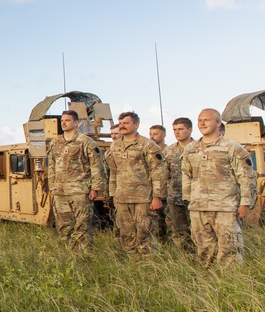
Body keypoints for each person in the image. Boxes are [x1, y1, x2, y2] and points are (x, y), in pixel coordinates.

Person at [182, 108, 256, 268]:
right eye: (199, 120)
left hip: (225, 207)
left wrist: (245, 203)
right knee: (204, 249)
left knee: (230, 249)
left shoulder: (232, 148)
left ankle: (231, 284)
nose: (202, 123)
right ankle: (209, 281)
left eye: (206, 120)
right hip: (199, 208)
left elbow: (246, 177)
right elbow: (186, 175)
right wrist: (189, 199)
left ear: (218, 123)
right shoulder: (190, 149)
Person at [106, 111, 167, 257]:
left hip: (143, 198)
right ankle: (131, 264)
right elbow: (113, 172)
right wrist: (113, 194)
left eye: (126, 123)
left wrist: (157, 196)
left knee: (144, 234)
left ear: (136, 124)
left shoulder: (147, 145)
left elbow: (158, 172)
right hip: (122, 198)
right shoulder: (115, 147)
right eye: (120, 124)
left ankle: (148, 266)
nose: (122, 126)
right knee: (126, 234)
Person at [46, 109, 105, 253]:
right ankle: (70, 257)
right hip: (60, 193)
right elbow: (52, 166)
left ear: (76, 123)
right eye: (62, 121)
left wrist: (95, 188)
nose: (64, 123)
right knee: (64, 228)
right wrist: (53, 187)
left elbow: (96, 166)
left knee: (82, 228)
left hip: (80, 192)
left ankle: (84, 258)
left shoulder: (86, 142)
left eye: (67, 120)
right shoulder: (55, 143)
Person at [162, 117, 197, 251]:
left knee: (199, 231)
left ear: (190, 130)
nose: (177, 132)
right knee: (179, 231)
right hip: (175, 197)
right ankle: (185, 259)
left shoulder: (198, 148)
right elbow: (165, 174)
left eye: (181, 129)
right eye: (175, 130)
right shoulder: (168, 151)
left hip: (196, 197)